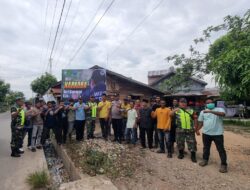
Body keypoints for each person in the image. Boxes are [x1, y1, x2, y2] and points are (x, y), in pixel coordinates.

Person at [197, 98, 228, 173]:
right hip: (206, 134)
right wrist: (197, 129)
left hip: (218, 134)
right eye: (207, 103)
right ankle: (205, 160)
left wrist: (210, 111)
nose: (209, 104)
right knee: (206, 148)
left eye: (211, 102)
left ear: (213, 103)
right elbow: (201, 122)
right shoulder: (203, 112)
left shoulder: (219, 109)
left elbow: (223, 114)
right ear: (205, 104)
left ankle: (224, 165)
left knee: (221, 149)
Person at [172, 98, 198, 162]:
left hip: (190, 130)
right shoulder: (177, 110)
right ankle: (181, 154)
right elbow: (170, 115)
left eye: (184, 102)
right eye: (181, 102)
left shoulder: (191, 110)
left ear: (186, 103)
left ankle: (193, 156)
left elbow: (195, 118)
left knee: (192, 142)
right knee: (180, 142)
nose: (183, 103)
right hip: (180, 129)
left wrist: (195, 127)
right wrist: (174, 110)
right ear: (179, 103)